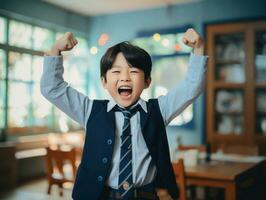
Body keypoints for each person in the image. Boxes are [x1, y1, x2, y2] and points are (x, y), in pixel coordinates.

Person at [41, 28, 207, 200]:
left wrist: (199, 48)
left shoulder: (159, 110)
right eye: (116, 71)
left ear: (147, 81)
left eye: (134, 71)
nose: (125, 78)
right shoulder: (90, 110)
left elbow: (190, 88)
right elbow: (53, 89)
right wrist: (55, 50)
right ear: (104, 81)